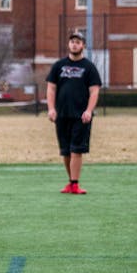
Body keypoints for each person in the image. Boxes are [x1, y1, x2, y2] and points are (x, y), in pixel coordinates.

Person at [46, 31, 101, 194]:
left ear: (83, 45)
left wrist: (89, 111)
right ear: (68, 45)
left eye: (78, 42)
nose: (74, 44)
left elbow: (94, 91)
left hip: (81, 116)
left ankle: (75, 184)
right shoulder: (58, 66)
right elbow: (51, 88)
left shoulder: (89, 67)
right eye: (72, 42)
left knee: (76, 149)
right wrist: (51, 108)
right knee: (65, 151)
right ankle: (71, 182)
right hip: (62, 115)